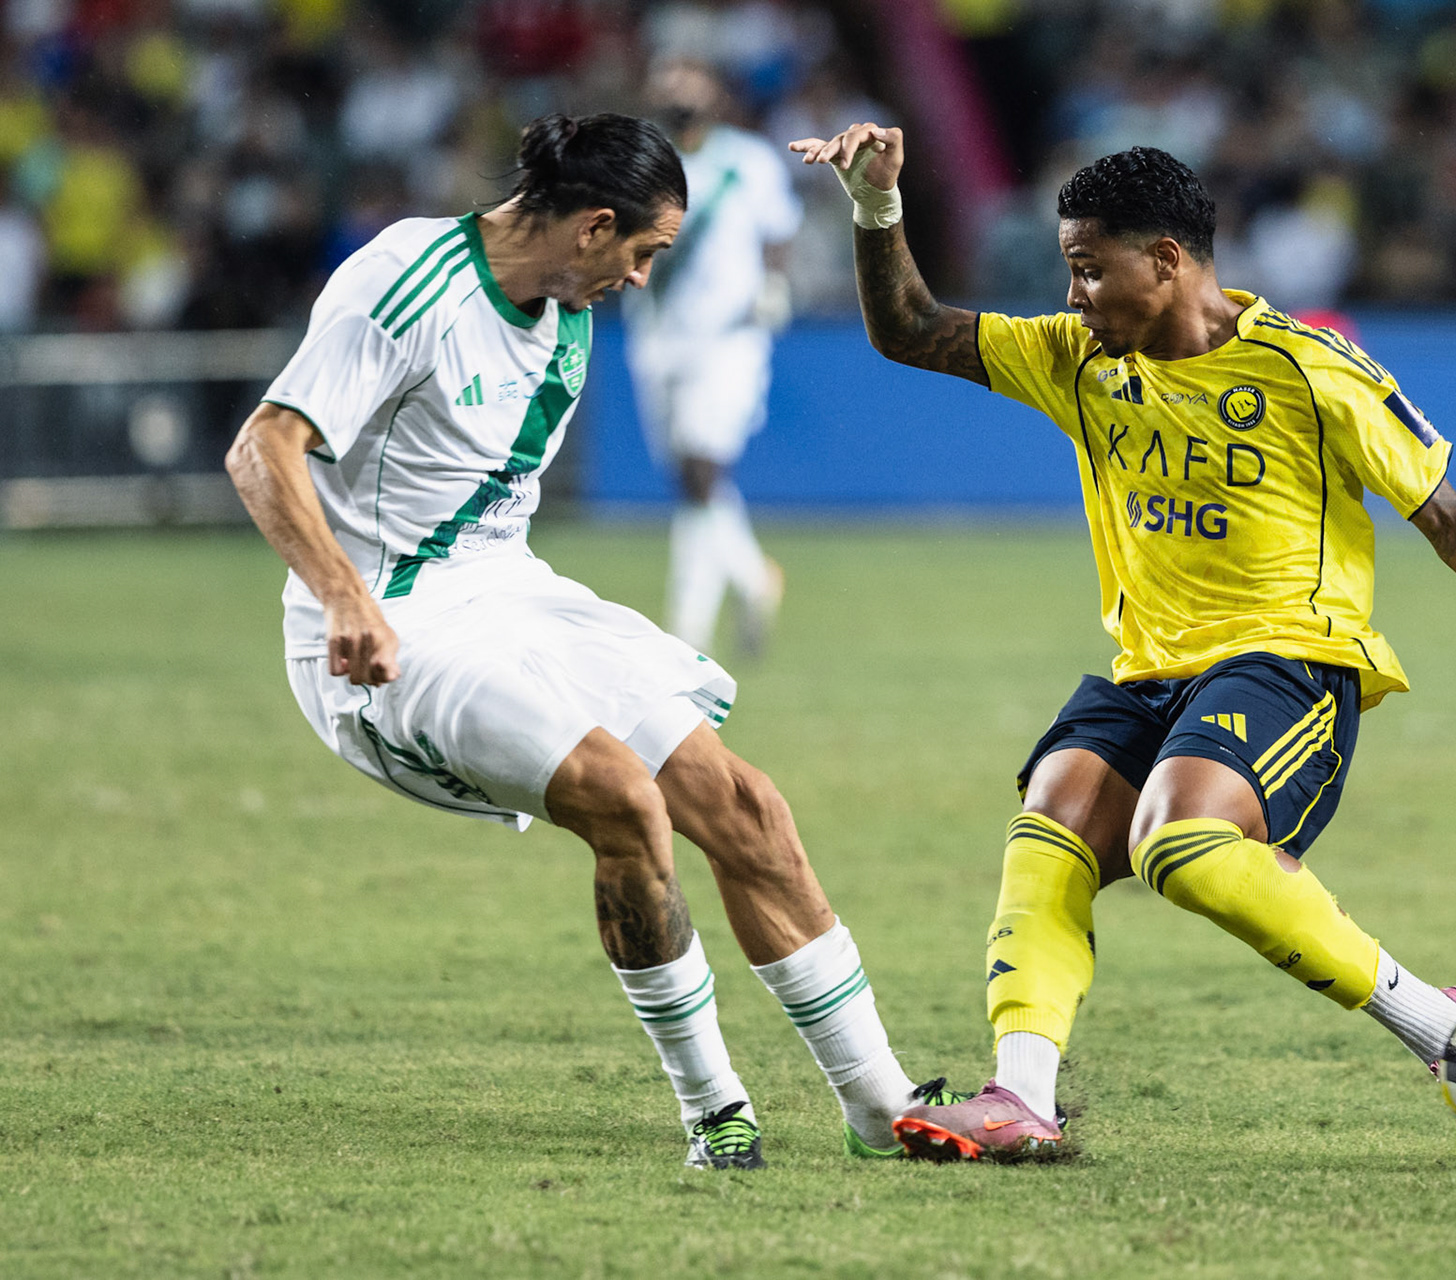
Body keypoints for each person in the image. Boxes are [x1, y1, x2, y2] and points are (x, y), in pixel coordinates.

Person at [790, 125, 1456, 1162]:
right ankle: (1022, 1097)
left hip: (1294, 662)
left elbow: (1449, 517)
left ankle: (1440, 1029)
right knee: (1048, 827)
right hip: (1148, 668)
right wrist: (878, 206)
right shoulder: (1079, 360)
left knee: (1175, 841)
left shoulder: (1310, 369)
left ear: (1165, 260)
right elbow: (910, 329)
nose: (1071, 297)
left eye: (1085, 270)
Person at [225, 112, 954, 1171]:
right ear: (592, 226)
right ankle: (715, 1109)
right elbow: (263, 448)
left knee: (747, 806)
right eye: (645, 254)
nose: (644, 281)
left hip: (506, 593)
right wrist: (343, 595)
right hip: (388, 627)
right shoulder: (408, 281)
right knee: (623, 793)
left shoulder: (564, 310)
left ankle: (883, 1109)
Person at [625, 60, 800, 654]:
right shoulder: (644, 165)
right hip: (656, 333)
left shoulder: (747, 161)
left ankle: (687, 630)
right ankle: (753, 578)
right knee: (688, 480)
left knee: (703, 468)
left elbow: (778, 233)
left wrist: (774, 287)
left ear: (715, 96)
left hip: (729, 336)